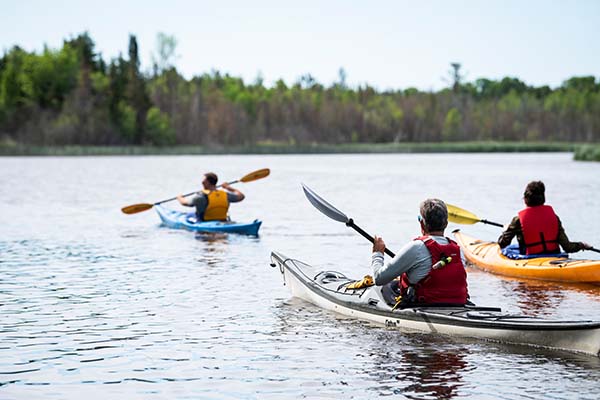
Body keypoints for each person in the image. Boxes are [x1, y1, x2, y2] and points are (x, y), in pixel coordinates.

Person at [371, 199, 468, 307]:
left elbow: (379, 279)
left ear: (422, 223)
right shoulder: (458, 250)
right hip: (458, 304)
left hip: (425, 305)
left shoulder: (416, 247)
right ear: (446, 224)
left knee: (386, 286)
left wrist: (378, 254)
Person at [497, 181, 590, 255]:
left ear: (525, 199)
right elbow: (568, 247)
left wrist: (505, 231)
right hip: (554, 255)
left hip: (530, 258)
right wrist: (581, 245)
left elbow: (503, 243)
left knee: (509, 249)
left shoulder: (518, 220)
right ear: (543, 199)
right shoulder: (554, 217)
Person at [177, 172, 245, 221]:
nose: (202, 182)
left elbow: (185, 203)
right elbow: (241, 196)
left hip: (204, 222)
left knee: (188, 216)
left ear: (207, 183)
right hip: (223, 221)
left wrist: (180, 198)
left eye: (203, 181)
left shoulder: (200, 197)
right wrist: (228, 187)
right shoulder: (225, 195)